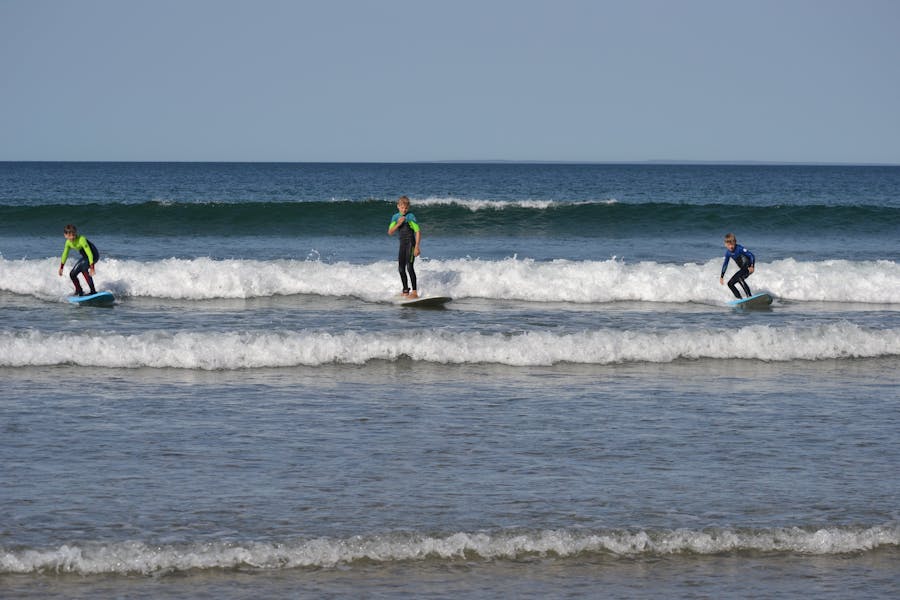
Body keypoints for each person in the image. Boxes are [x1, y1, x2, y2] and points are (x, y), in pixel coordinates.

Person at [387, 195, 421, 298]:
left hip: (411, 243)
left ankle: (414, 292)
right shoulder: (395, 217)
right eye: (402, 207)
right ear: (398, 206)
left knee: (409, 267)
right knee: (401, 268)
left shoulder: (410, 216)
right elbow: (390, 232)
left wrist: (417, 247)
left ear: (408, 207)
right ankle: (405, 290)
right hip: (402, 244)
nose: (404, 210)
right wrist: (398, 223)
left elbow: (418, 231)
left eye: (406, 208)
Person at [58, 224, 99, 296]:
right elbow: (65, 254)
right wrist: (61, 267)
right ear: (65, 235)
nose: (72, 237)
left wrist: (92, 267)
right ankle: (79, 290)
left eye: (73, 235)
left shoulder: (81, 239)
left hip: (93, 256)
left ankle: (93, 291)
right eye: (70, 235)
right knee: (72, 274)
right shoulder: (68, 243)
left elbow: (89, 253)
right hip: (85, 258)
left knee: (83, 268)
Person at [719, 232, 755, 299]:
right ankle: (739, 299)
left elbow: (751, 255)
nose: (731, 246)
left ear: (735, 242)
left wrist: (752, 266)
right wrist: (722, 276)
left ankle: (749, 296)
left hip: (748, 267)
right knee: (730, 284)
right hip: (742, 269)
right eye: (729, 245)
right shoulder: (728, 253)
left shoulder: (740, 248)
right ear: (725, 245)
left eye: (732, 244)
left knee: (739, 278)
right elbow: (725, 264)